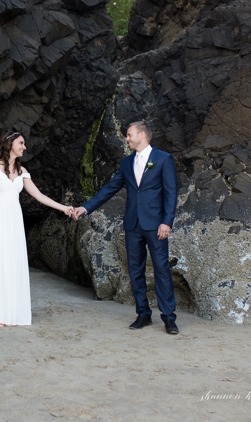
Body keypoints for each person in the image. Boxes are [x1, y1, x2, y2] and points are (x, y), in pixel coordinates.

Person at [72, 121, 179, 334]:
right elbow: (109, 189)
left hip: (156, 224)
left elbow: (171, 193)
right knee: (135, 270)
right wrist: (85, 208)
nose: (127, 138)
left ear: (142, 135)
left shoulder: (163, 159)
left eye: (129, 135)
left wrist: (167, 222)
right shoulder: (127, 163)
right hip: (132, 224)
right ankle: (143, 314)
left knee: (161, 270)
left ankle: (169, 318)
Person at [0, 131, 74, 326]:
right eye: (21, 143)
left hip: (14, 220)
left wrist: (64, 208)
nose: (24, 147)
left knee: (12, 262)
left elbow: (39, 196)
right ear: (10, 144)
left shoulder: (23, 171)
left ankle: (12, 313)